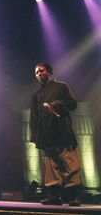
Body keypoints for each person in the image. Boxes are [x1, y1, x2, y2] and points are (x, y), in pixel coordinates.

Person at [29, 62, 81, 206]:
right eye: (37, 72)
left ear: (49, 72)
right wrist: (34, 136)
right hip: (45, 135)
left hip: (62, 132)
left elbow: (72, 104)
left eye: (42, 71)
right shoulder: (36, 94)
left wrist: (55, 105)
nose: (39, 74)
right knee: (51, 167)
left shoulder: (62, 86)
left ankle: (74, 196)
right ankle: (54, 196)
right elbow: (34, 117)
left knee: (70, 164)